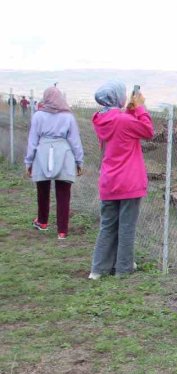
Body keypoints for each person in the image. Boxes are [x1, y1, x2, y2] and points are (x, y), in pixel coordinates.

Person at [88, 81, 154, 280]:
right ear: (118, 97)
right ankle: (123, 268)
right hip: (129, 182)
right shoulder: (123, 121)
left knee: (108, 225)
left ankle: (98, 269)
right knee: (126, 227)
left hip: (109, 181)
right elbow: (147, 131)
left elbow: (121, 126)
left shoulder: (102, 120)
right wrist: (140, 108)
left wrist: (130, 111)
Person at [24, 86, 84, 239]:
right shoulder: (68, 117)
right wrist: (79, 161)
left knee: (42, 190)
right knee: (63, 193)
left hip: (42, 152)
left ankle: (42, 221)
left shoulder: (38, 116)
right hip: (64, 153)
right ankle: (62, 230)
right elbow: (75, 141)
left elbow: (33, 140)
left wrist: (29, 162)